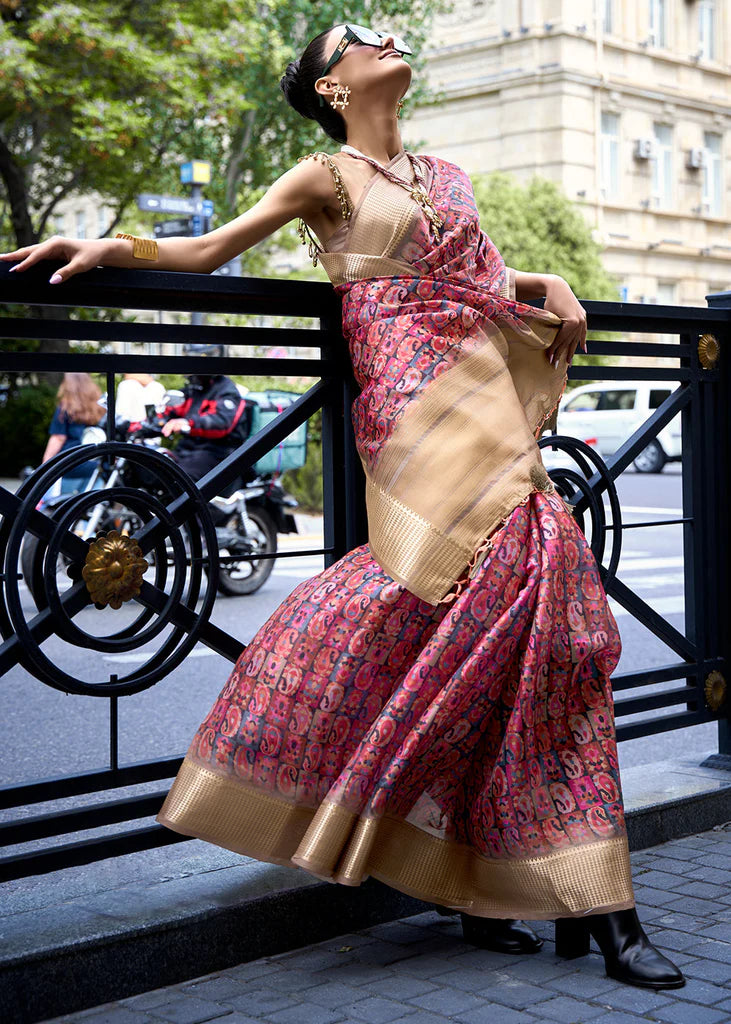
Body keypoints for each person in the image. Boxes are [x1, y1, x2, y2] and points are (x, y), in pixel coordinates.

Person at [0, 22, 684, 991]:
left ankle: (577, 897)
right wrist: (108, 244)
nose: (386, 36)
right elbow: (210, 247)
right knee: (440, 614)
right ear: (331, 85)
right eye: (360, 38)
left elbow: (483, 278)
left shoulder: (447, 175)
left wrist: (553, 278)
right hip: (411, 421)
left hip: (485, 394)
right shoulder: (324, 179)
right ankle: (506, 879)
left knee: (541, 632)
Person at [160, 372, 250, 483]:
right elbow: (170, 410)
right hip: (188, 450)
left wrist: (187, 423)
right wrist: (150, 422)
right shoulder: (194, 390)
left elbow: (221, 423)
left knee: (177, 479)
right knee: (156, 469)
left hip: (217, 452)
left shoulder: (227, 392)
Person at [41, 372, 104, 494]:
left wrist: (45, 464)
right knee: (89, 505)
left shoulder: (65, 408)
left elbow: (58, 438)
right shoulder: (99, 407)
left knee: (65, 506)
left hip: (71, 464)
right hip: (94, 464)